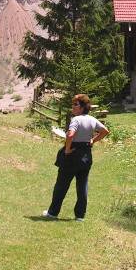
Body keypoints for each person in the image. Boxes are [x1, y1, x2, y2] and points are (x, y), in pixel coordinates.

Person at [42, 93, 109, 222]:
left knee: (61, 185)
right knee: (82, 186)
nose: (72, 106)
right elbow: (105, 131)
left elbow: (70, 135)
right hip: (86, 155)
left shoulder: (76, 120)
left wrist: (67, 149)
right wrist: (93, 141)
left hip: (73, 154)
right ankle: (80, 216)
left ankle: (52, 213)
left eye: (75, 104)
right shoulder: (92, 119)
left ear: (82, 107)